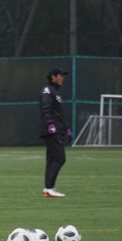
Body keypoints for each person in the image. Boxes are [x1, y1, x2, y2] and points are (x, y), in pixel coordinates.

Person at [39, 67, 72, 198]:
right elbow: (46, 109)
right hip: (52, 131)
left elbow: (58, 115)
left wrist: (66, 128)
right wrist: (50, 125)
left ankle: (49, 188)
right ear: (53, 77)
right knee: (59, 158)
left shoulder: (55, 92)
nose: (62, 78)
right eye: (60, 75)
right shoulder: (47, 91)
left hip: (57, 129)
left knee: (52, 159)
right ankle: (49, 188)